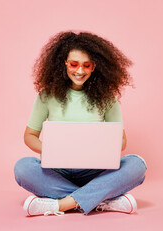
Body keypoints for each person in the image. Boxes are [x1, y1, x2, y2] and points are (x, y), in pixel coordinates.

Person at [14, 31, 147, 216]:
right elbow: (29, 136)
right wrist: (51, 150)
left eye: (87, 65)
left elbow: (122, 140)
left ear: (94, 67)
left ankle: (60, 205)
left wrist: (103, 148)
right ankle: (102, 200)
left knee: (137, 165)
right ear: (64, 63)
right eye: (74, 64)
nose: (79, 71)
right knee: (23, 168)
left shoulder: (107, 98)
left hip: (94, 171)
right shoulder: (47, 95)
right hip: (58, 170)